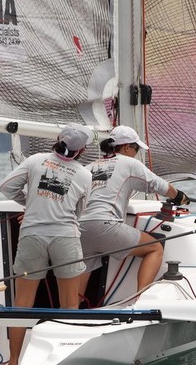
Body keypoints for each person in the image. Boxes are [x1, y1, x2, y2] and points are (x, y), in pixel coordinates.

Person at [0, 123, 94, 365]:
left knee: (22, 303)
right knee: (69, 305)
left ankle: (12, 362)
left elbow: (6, 188)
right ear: (82, 150)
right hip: (65, 237)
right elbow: (79, 212)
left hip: (32, 237)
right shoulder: (84, 174)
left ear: (58, 138)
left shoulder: (35, 160)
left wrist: (29, 204)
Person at [79, 125, 189, 298]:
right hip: (105, 226)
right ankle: (140, 300)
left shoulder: (88, 167)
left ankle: (71, 315)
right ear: (127, 147)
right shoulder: (129, 163)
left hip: (79, 230)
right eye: (136, 149)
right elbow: (160, 186)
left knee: (75, 297)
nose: (136, 153)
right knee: (154, 249)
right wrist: (179, 196)